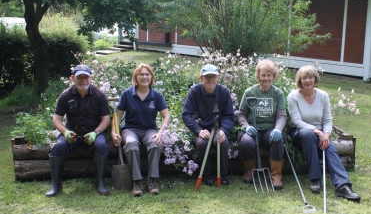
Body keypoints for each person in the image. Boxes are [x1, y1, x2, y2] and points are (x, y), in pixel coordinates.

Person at [287, 65, 361, 201]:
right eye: (304, 78)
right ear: (300, 80)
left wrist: (325, 134)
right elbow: (296, 121)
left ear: (315, 79)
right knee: (308, 134)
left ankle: (343, 186)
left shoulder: (323, 96)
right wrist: (318, 132)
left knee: (329, 148)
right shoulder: (293, 97)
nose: (307, 80)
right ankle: (315, 179)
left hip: (321, 132)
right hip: (299, 132)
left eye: (310, 77)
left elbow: (327, 120)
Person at [46, 64, 111, 197]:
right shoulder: (65, 95)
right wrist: (65, 132)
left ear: (91, 78)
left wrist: (96, 133)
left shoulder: (99, 95)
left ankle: (99, 183)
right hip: (72, 132)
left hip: (94, 132)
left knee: (101, 146)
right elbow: (57, 119)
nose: (83, 80)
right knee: (58, 147)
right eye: (79, 77)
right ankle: (56, 185)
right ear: (72, 78)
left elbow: (106, 119)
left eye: (86, 77)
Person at [111, 64, 170, 197]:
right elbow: (118, 116)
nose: (144, 77)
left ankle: (152, 180)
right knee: (131, 144)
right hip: (130, 129)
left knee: (155, 143)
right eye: (141, 74)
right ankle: (137, 181)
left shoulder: (157, 95)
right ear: (135, 77)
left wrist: (160, 132)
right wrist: (113, 132)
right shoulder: (127, 94)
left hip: (149, 130)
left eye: (147, 74)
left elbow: (166, 116)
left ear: (151, 77)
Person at [237, 59, 286, 189]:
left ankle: (276, 175)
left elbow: (281, 115)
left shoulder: (277, 93)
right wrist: (246, 127)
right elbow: (241, 114)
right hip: (253, 129)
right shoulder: (250, 92)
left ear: (273, 76)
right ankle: (249, 171)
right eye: (263, 75)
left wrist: (278, 129)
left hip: (270, 129)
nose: (266, 78)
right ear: (258, 76)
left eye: (269, 75)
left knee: (278, 140)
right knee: (246, 142)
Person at [182, 64, 234, 186]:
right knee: (202, 143)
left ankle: (222, 174)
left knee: (222, 142)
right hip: (202, 128)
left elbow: (229, 116)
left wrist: (223, 130)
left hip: (218, 128)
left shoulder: (224, 92)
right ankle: (206, 174)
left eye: (213, 76)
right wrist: (198, 130)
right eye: (207, 76)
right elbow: (186, 114)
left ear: (218, 77)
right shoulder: (194, 91)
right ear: (201, 78)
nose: (210, 79)